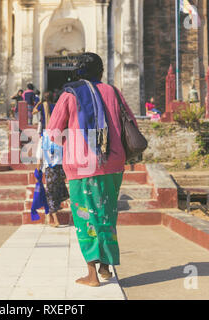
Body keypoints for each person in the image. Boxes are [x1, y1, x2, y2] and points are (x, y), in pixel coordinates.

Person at [47, 52, 138, 287]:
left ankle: (92, 274)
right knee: (107, 215)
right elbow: (132, 124)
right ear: (100, 72)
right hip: (114, 164)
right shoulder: (113, 92)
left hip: (82, 166)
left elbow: (54, 132)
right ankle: (107, 267)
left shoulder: (70, 94)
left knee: (86, 217)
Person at [37, 91, 69, 227]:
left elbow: (40, 157)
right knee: (53, 192)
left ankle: (52, 215)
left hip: (56, 168)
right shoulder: (51, 137)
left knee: (56, 193)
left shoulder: (53, 137)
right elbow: (40, 155)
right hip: (55, 168)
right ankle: (53, 217)